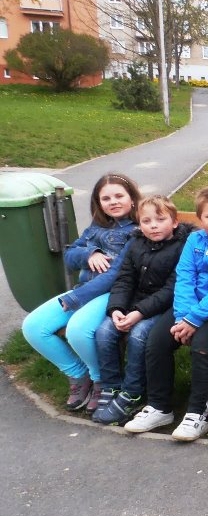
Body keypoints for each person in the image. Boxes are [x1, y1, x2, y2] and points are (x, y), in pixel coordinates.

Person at [124, 185, 208, 441]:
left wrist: (194, 319)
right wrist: (184, 316)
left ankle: (198, 414)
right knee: (156, 341)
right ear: (200, 218)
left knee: (203, 347)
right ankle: (159, 407)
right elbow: (184, 277)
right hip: (188, 308)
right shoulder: (195, 240)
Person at [21, 173, 140, 413]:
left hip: (112, 294)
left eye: (119, 196)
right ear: (98, 203)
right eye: (106, 198)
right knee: (33, 327)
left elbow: (116, 274)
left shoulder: (137, 231)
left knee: (77, 330)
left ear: (132, 199)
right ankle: (78, 373)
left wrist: (75, 298)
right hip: (83, 292)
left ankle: (100, 379)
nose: (113, 202)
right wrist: (89, 253)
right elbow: (69, 256)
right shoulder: (96, 228)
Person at [91, 196, 191, 425]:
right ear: (140, 225)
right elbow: (124, 279)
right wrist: (116, 308)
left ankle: (133, 392)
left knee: (138, 335)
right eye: (146, 221)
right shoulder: (136, 244)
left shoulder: (182, 247)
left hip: (163, 307)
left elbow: (172, 289)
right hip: (134, 305)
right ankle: (111, 386)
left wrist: (139, 313)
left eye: (160, 219)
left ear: (175, 222)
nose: (153, 225)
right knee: (104, 332)